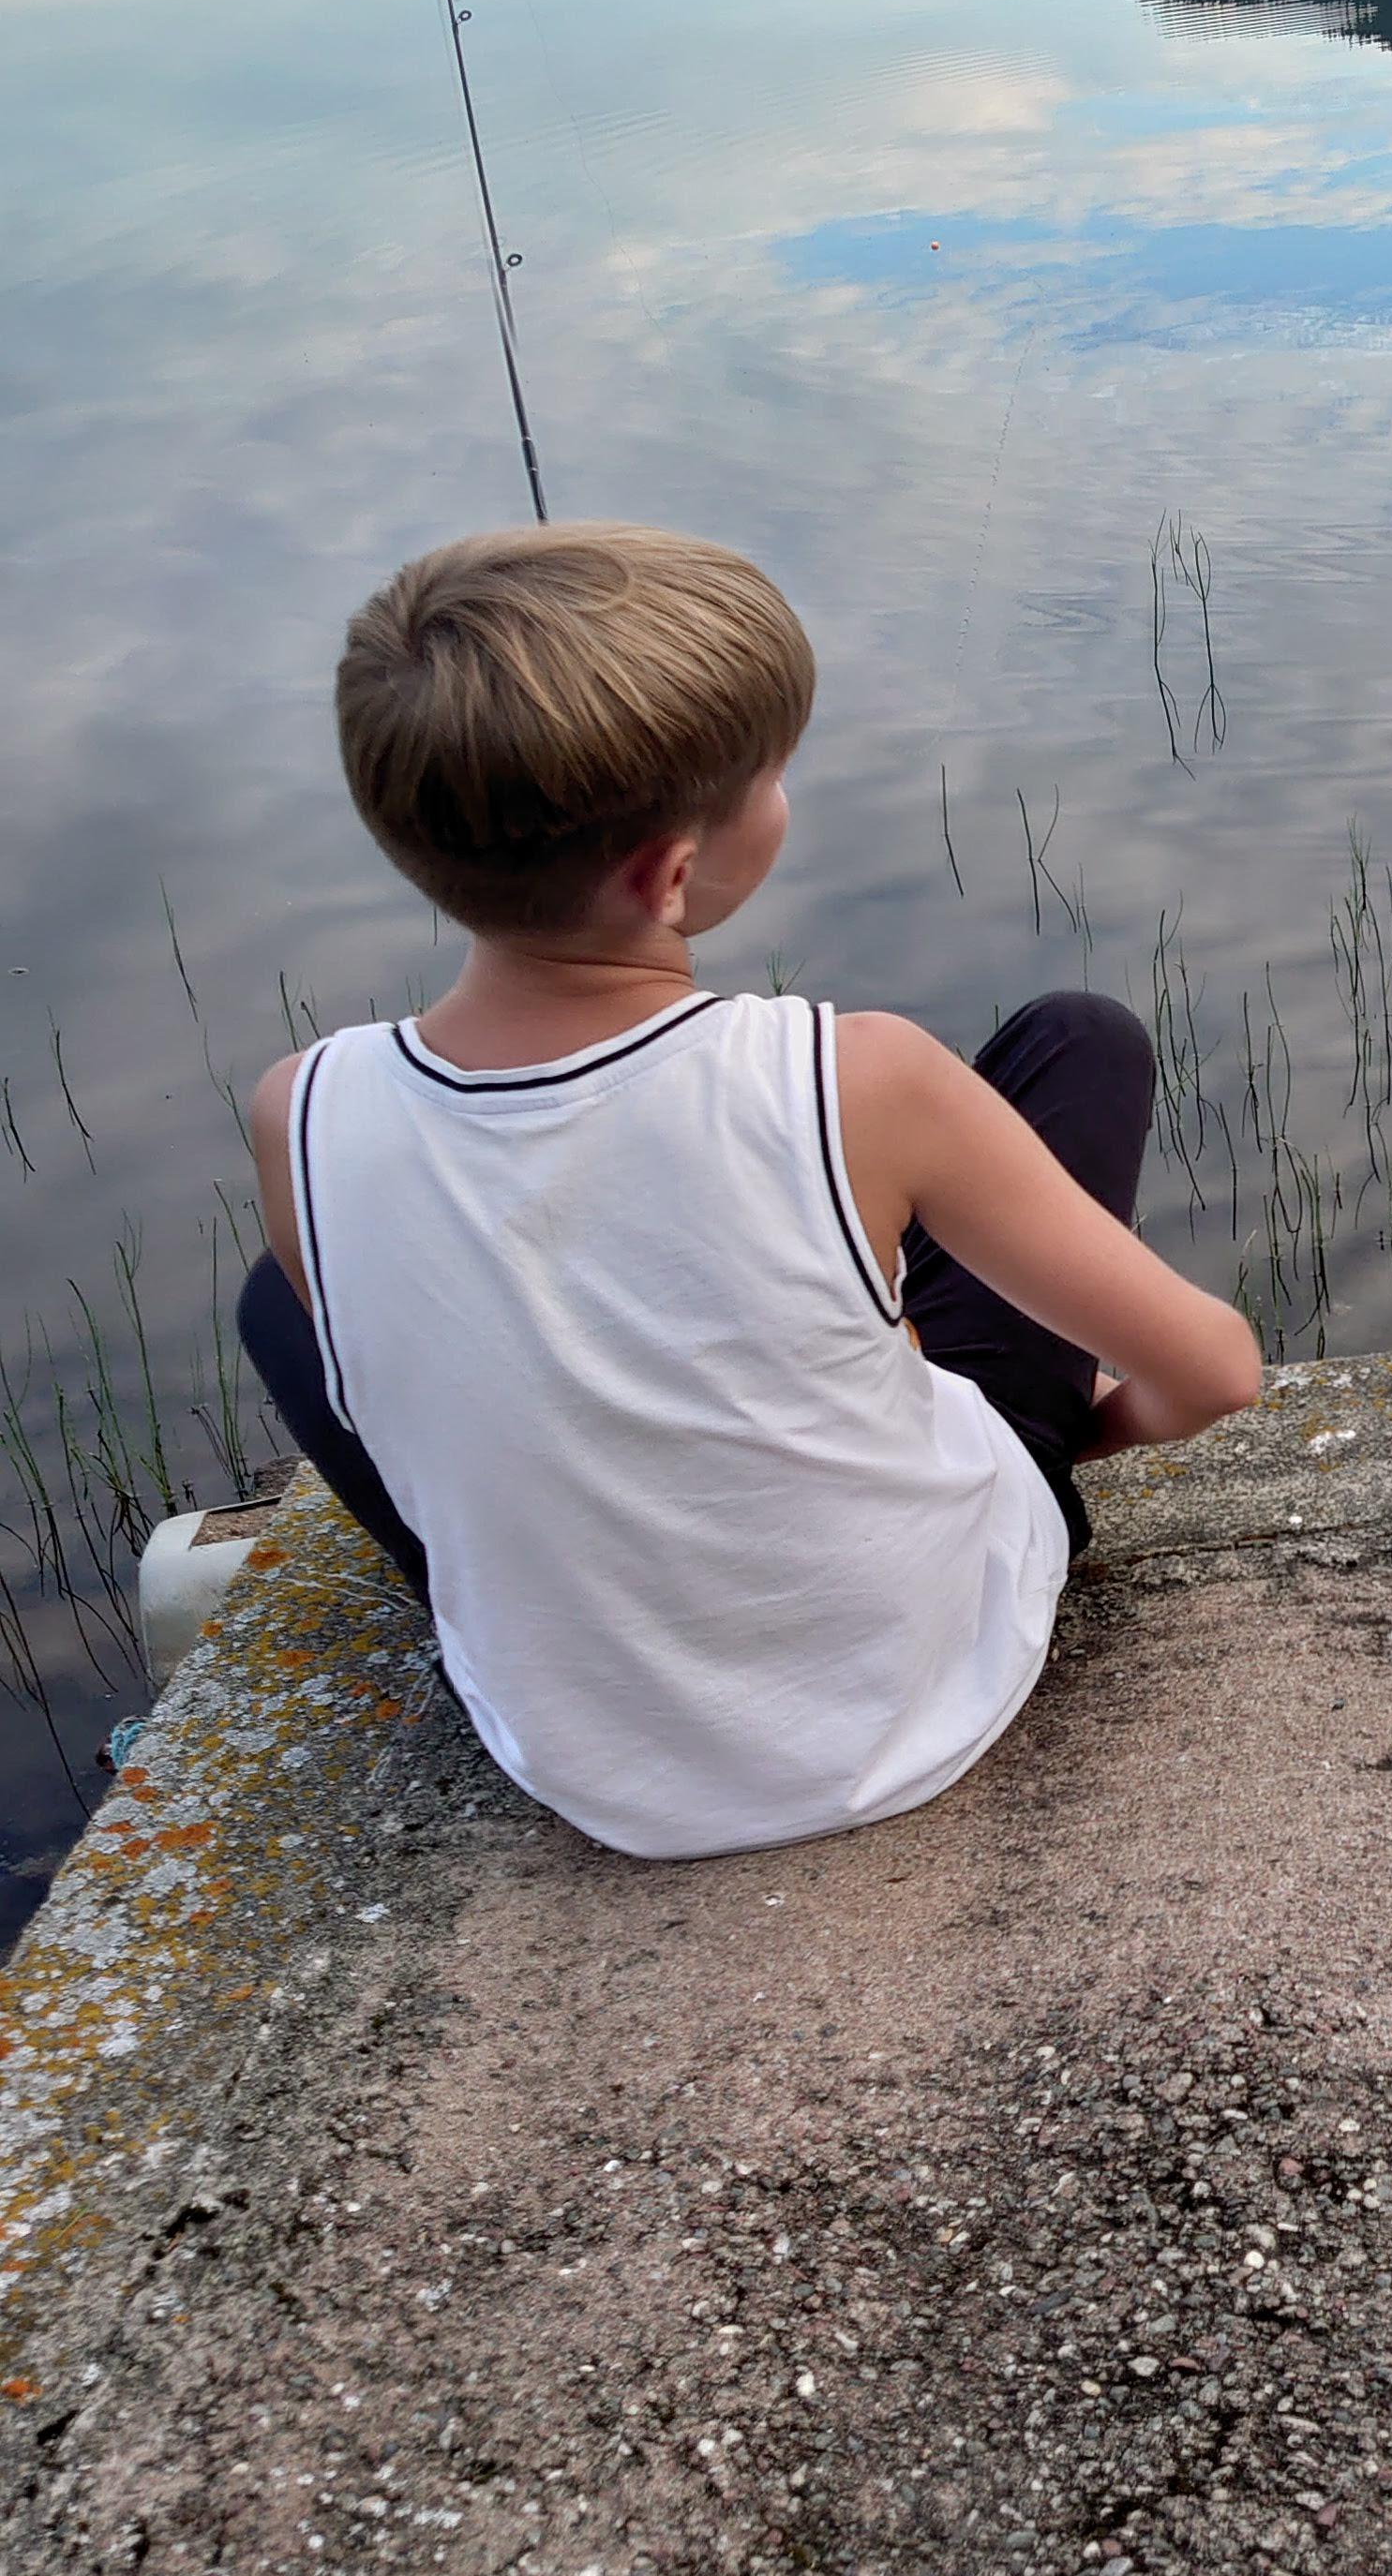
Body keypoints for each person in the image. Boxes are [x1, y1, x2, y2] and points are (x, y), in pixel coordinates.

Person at [238, 521, 1260, 1858]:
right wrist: (1062, 1433)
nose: (786, 800)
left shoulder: (299, 1105)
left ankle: (532, 1602)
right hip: (924, 1686)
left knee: (280, 1300)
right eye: (773, 779)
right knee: (1081, 1041)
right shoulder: (855, 1078)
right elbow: (1217, 1374)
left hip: (586, 1760)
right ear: (669, 874)